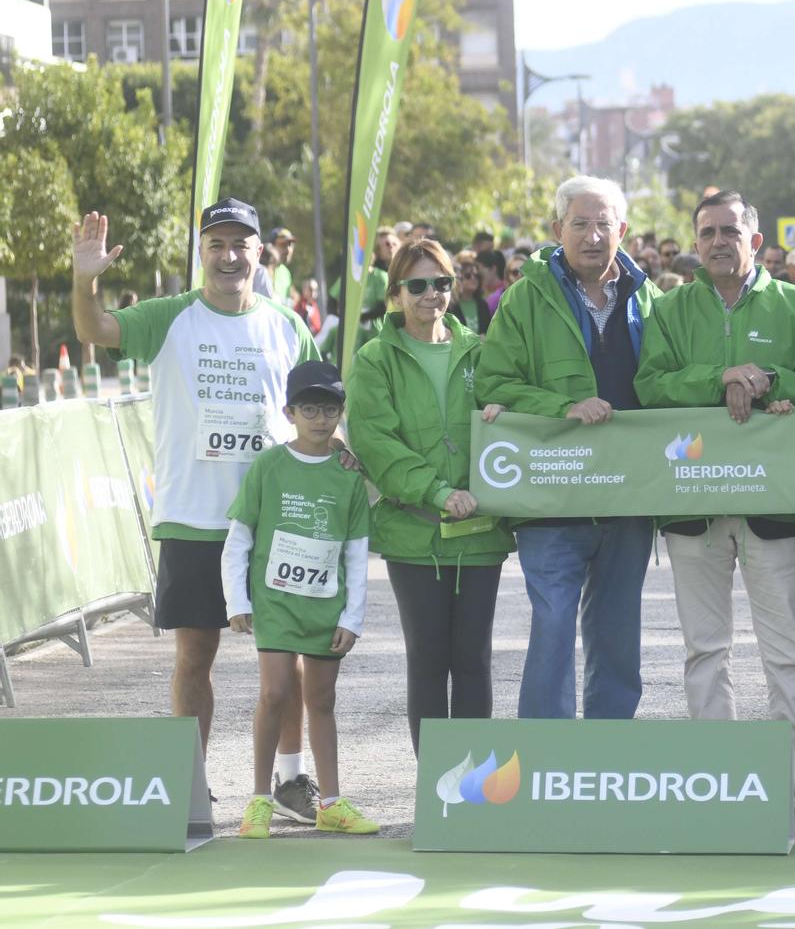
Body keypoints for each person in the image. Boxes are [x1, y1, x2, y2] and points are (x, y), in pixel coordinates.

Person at [70, 199, 321, 821]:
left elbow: (318, 414)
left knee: (285, 659)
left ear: (259, 253)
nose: (230, 256)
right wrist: (83, 280)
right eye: (218, 244)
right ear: (202, 252)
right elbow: (95, 331)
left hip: (272, 522)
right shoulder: (171, 318)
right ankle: (191, 784)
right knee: (194, 657)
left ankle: (290, 781)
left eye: (242, 244)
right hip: (193, 519)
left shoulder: (288, 326)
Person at [634, 189, 795, 833]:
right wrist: (719, 377)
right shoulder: (671, 310)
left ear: (755, 241)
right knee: (705, 649)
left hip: (774, 502)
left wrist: (769, 378)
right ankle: (721, 776)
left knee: (787, 650)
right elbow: (650, 385)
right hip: (693, 504)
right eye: (706, 232)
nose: (717, 242)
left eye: (730, 231)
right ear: (693, 243)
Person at [476, 175, 663, 720]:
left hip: (628, 495)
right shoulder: (524, 299)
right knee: (553, 624)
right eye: (580, 223)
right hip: (551, 494)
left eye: (604, 223)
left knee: (617, 632)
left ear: (622, 230)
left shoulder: (648, 298)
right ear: (557, 229)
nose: (593, 235)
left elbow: (667, 380)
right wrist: (563, 407)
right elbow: (494, 384)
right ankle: (545, 758)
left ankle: (605, 756)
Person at [347, 237, 514, 752]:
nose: (431, 295)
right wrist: (438, 491)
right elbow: (376, 443)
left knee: (473, 659)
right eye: (417, 285)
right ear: (395, 293)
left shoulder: (481, 351)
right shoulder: (375, 359)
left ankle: (469, 794)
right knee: (426, 658)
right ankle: (436, 787)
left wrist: (505, 416)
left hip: (481, 532)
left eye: (441, 283)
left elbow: (509, 408)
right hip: (414, 533)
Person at [224, 361, 376, 838]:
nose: (319, 418)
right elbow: (239, 539)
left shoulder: (350, 475)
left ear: (340, 412)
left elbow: (356, 553)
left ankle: (331, 802)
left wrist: (353, 616)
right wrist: (236, 600)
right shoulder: (268, 465)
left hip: (325, 607)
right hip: (275, 605)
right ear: (289, 412)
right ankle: (259, 801)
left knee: (322, 699)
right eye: (308, 408)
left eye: (329, 408)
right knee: (274, 693)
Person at [268, 228, 297, 308]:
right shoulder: (261, 269)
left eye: (290, 245)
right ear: (272, 247)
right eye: (283, 245)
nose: (288, 249)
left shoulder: (286, 272)